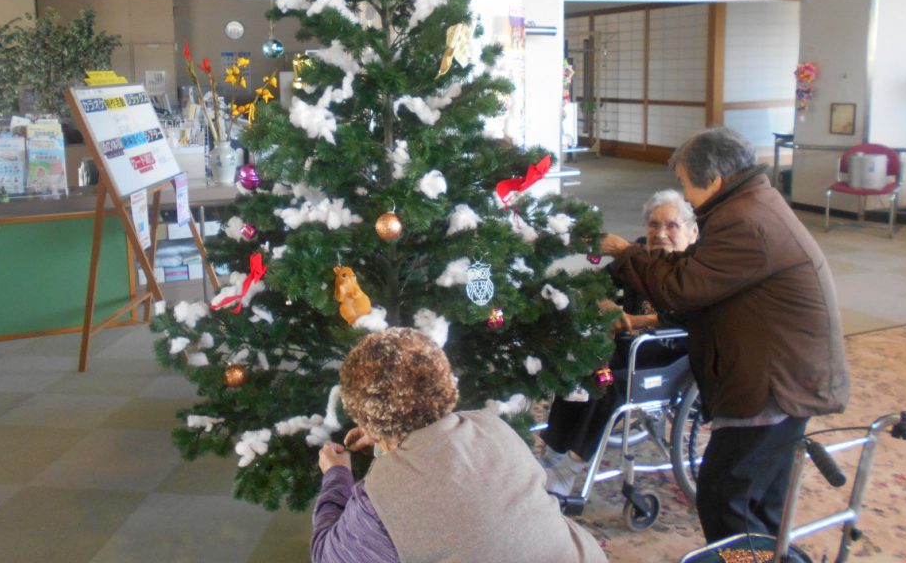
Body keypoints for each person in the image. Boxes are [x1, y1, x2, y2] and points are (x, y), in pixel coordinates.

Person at [600, 127, 849, 543]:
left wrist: (628, 253)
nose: (685, 192)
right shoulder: (750, 204)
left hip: (772, 381)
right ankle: (767, 557)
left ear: (713, 179)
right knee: (760, 495)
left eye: (684, 182)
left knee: (724, 497)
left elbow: (679, 288)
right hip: (783, 370)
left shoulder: (745, 221)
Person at [311, 328, 607, 563]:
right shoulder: (490, 425)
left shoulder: (379, 500)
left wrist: (336, 475)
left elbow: (327, 556)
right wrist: (382, 435)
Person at [540, 189, 698, 494]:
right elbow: (599, 283)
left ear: (692, 231)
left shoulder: (696, 268)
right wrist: (605, 303)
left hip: (672, 355)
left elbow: (696, 316)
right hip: (631, 346)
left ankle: (569, 469)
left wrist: (640, 321)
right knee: (582, 361)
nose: (660, 234)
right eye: (654, 225)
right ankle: (554, 451)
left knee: (607, 381)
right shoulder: (638, 255)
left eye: (671, 226)